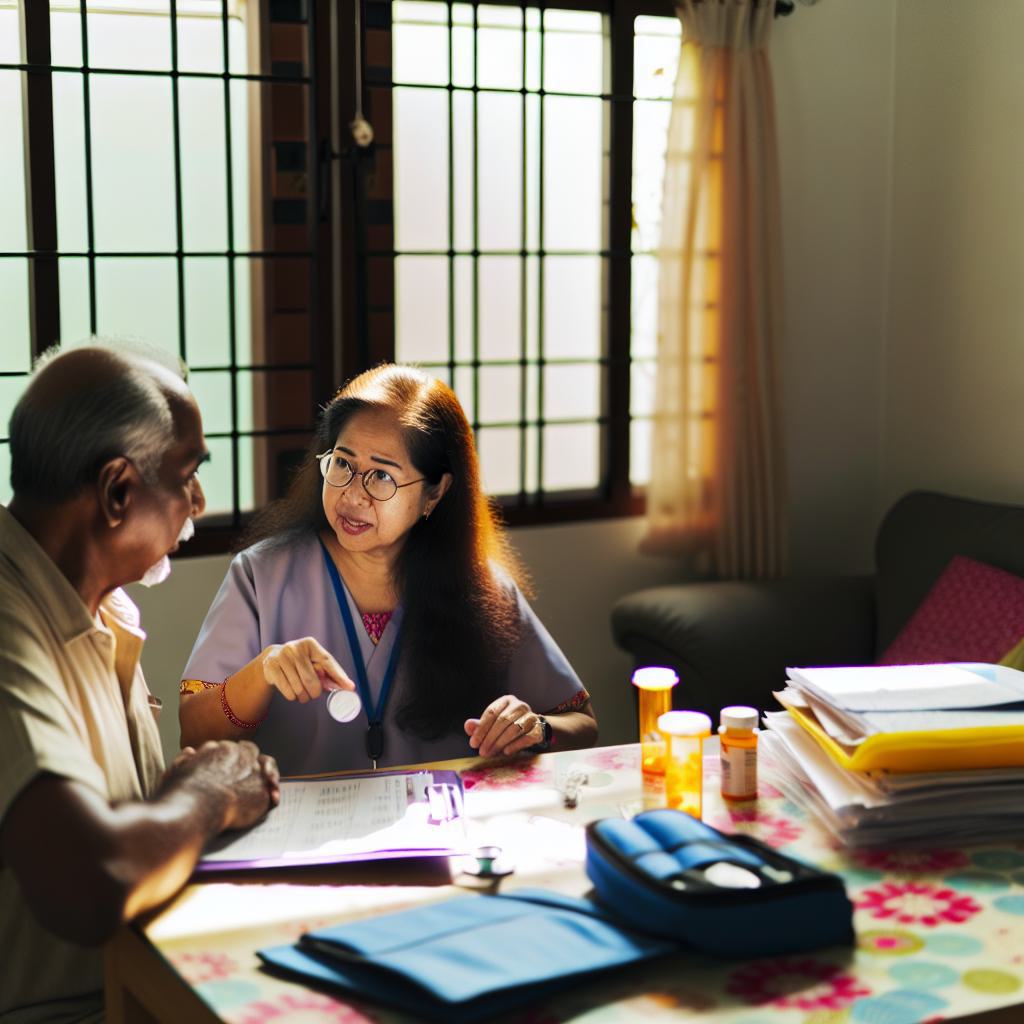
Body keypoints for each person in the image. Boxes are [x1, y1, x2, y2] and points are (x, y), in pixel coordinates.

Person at [0, 342, 281, 1024]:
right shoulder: (9, 622)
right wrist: (211, 794)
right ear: (117, 490)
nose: (198, 501)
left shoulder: (102, 605)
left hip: (139, 983)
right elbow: (91, 882)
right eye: (186, 474)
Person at [179, 364, 597, 774]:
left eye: (381, 476)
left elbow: (582, 723)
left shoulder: (483, 589)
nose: (353, 495)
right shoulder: (260, 575)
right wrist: (263, 670)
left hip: (443, 829)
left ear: (435, 492)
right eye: (342, 464)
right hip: (301, 835)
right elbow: (194, 733)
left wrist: (535, 730)